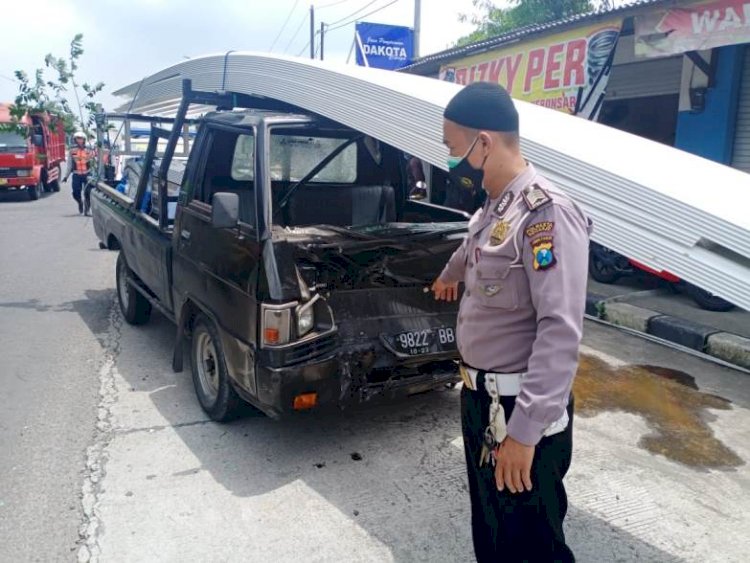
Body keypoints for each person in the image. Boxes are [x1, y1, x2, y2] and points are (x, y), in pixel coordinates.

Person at [432, 82, 592, 562]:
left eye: (452, 148)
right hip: (480, 400)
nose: (449, 162)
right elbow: (473, 250)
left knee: (533, 543)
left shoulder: (546, 215)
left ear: (484, 142)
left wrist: (524, 433)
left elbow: (560, 331)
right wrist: (448, 276)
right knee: (493, 532)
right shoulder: (493, 209)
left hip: (521, 410)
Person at [63, 131, 94, 215]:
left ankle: (87, 210)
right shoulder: (72, 150)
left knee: (88, 192)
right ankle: (80, 202)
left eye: (81, 138)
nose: (79, 140)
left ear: (84, 140)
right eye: (77, 138)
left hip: (87, 174)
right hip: (76, 174)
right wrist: (66, 176)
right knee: (75, 192)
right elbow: (69, 164)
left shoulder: (89, 149)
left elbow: (94, 163)